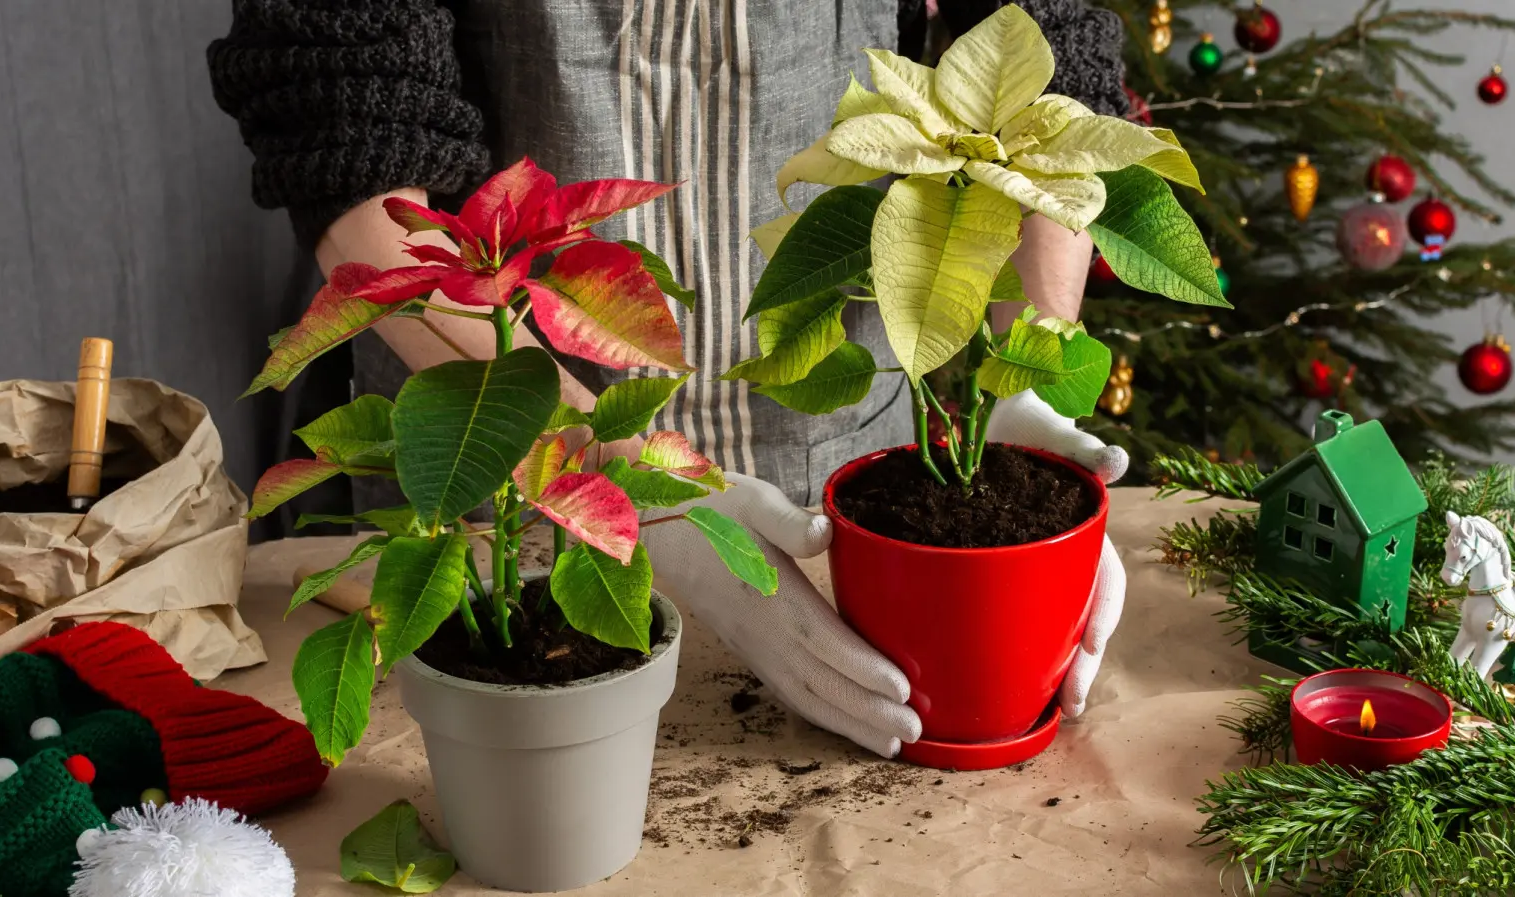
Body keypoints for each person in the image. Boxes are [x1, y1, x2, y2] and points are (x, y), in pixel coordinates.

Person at [207, 0, 1130, 759]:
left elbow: (1037, 46)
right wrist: (626, 481)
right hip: (507, 499)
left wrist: (1026, 377)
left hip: (845, 488)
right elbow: (345, 126)